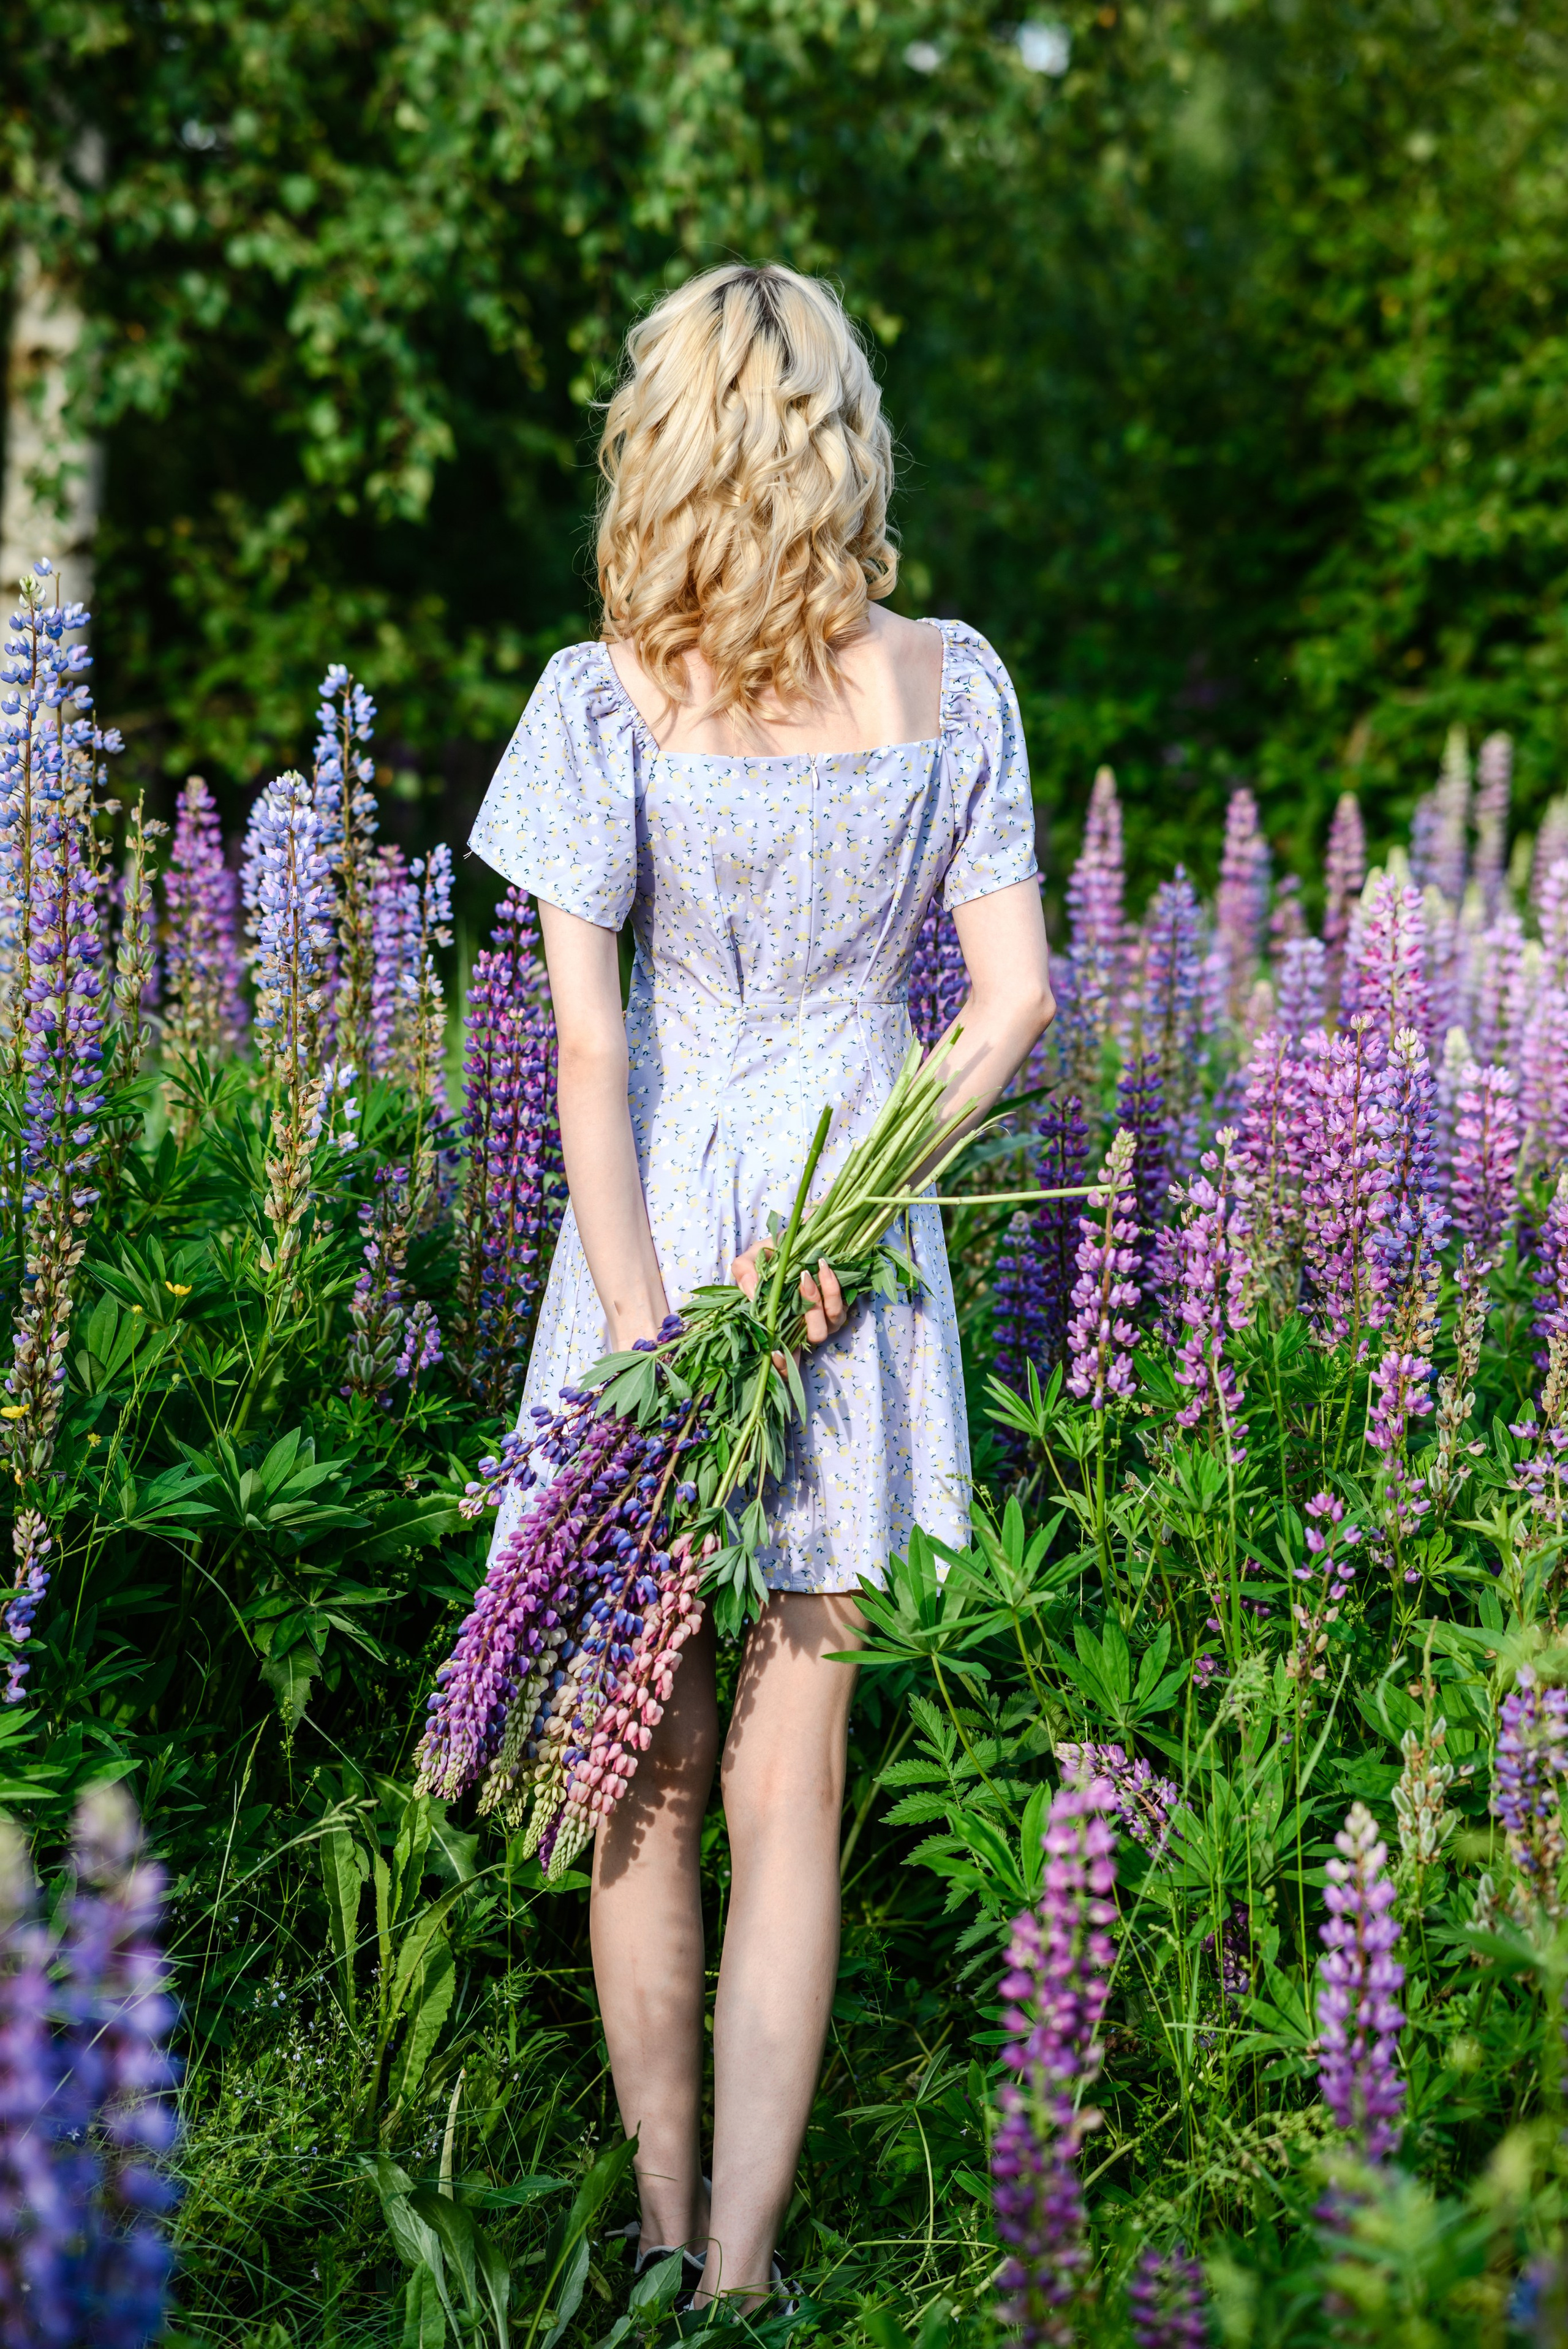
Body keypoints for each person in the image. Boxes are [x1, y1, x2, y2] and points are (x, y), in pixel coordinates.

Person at [466, 262, 1054, 2314]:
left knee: (643, 1763)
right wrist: (852, 1217)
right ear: (843, 435)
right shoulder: (951, 682)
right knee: (790, 1784)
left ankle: (656, 2235)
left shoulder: (602, 693)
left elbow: (589, 1049)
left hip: (651, 1234)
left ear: (666, 441)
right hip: (854, 1256)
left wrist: (645, 1326)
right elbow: (1012, 1003)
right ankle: (739, 2272)